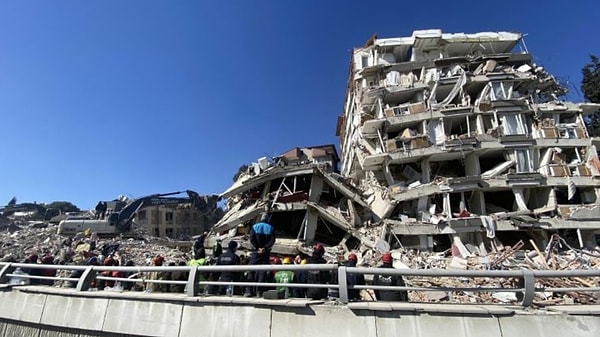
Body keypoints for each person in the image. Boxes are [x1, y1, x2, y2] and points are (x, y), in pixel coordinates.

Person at [244, 213, 275, 297]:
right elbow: (272, 241)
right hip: (265, 253)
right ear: (268, 219)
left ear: (261, 218)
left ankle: (249, 290)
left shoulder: (255, 227)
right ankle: (259, 292)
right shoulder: (271, 228)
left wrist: (257, 248)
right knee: (263, 272)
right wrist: (264, 248)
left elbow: (252, 239)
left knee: (251, 270)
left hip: (256, 253)